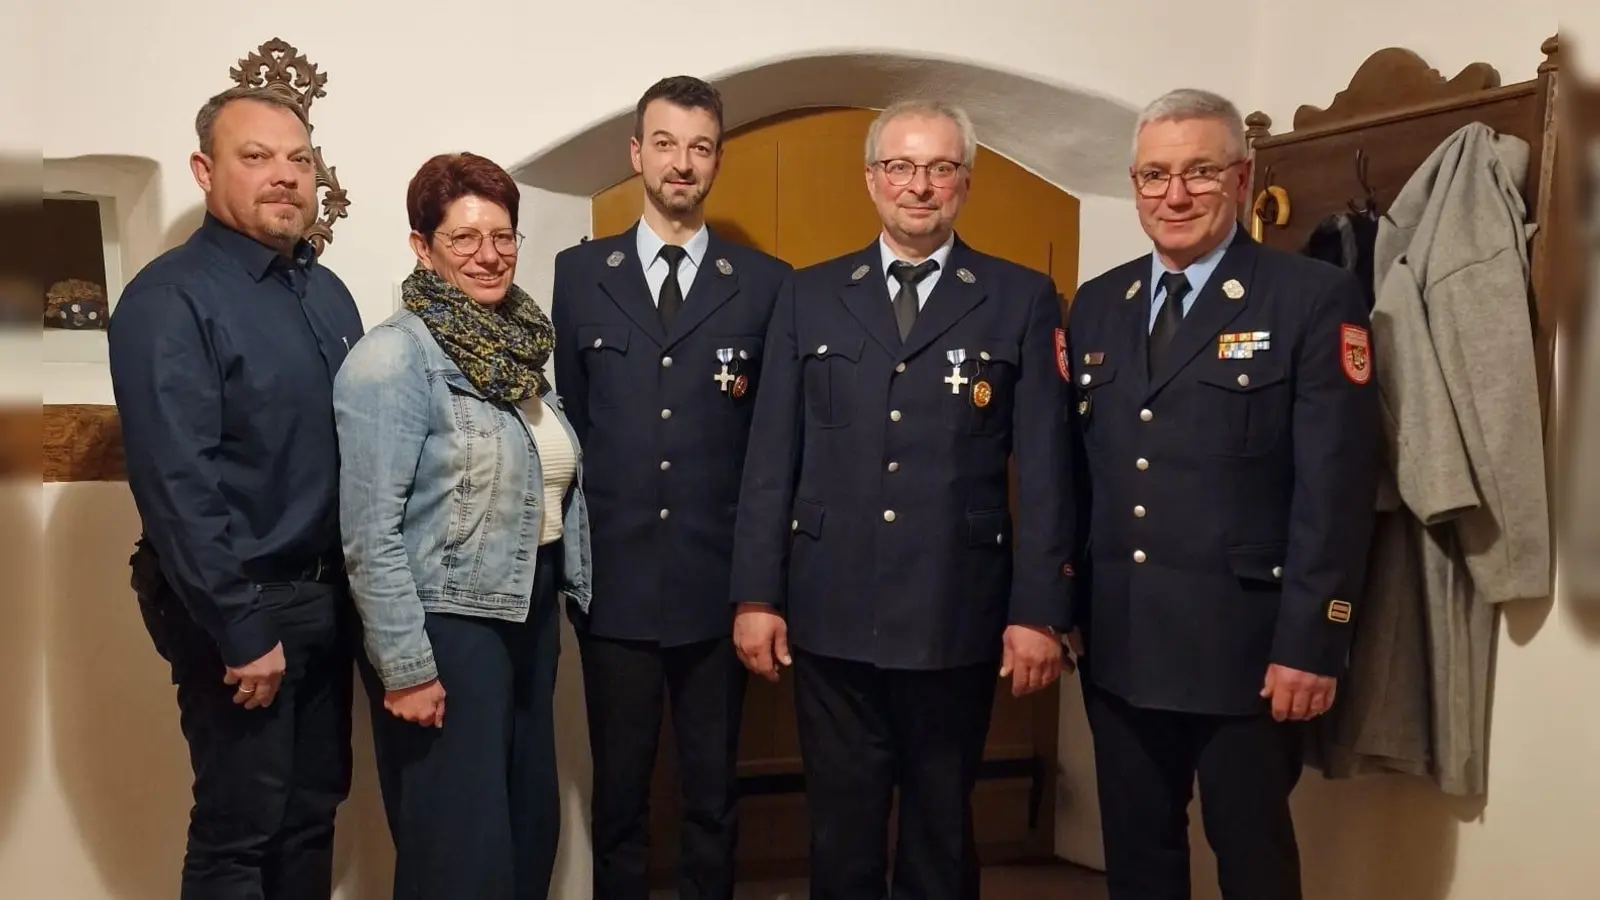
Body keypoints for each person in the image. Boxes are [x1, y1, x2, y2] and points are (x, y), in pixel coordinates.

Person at [728, 99, 1075, 900]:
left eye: (940, 168)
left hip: (956, 610)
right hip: (831, 608)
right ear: (871, 179)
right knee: (840, 833)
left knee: (940, 832)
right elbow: (771, 458)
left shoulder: (1019, 297)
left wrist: (1040, 611)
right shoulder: (809, 295)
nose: (919, 185)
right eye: (901, 167)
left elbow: (1048, 470)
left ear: (965, 182)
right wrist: (756, 595)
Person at [1064, 88, 1381, 900]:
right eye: (1154, 175)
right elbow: (1080, 475)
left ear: (1241, 179)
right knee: (1137, 856)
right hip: (1122, 639)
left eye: (1199, 172)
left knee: (1252, 856)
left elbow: (1337, 489)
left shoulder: (1310, 297)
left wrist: (1314, 642)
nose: (1174, 196)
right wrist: (1062, 605)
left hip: (1247, 645)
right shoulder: (1099, 303)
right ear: (1135, 185)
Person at [108, 85, 364, 899]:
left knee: (313, 814)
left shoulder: (326, 292)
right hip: (241, 606)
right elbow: (175, 482)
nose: (284, 175)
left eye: (299, 159)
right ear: (204, 170)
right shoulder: (169, 299)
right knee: (239, 833)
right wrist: (238, 624)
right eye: (256, 157)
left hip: (328, 602)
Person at [551, 74, 791, 900]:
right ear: (636, 154)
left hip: (717, 588)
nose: (681, 163)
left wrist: (760, 586)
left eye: (699, 147)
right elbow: (573, 429)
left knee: (712, 796)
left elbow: (770, 448)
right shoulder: (580, 273)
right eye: (664, 144)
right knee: (620, 794)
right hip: (614, 587)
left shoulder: (766, 283)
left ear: (717, 159)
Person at [332, 152, 591, 900]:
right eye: (465, 238)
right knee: (459, 849)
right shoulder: (394, 357)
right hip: (447, 628)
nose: (489, 255)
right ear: (423, 246)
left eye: (503, 236)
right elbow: (369, 532)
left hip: (528, 611)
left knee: (526, 829)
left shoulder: (520, 348)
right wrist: (406, 667)